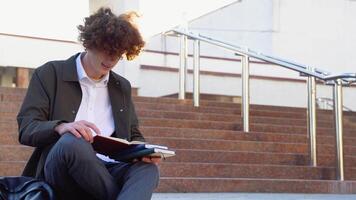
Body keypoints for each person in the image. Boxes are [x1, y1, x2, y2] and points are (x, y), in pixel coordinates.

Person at [17, 7, 160, 200]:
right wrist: (61, 127)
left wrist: (143, 151)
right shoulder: (50, 73)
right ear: (90, 43)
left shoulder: (121, 86)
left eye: (118, 53)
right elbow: (27, 128)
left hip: (108, 168)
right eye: (108, 50)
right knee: (74, 140)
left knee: (147, 170)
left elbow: (132, 133)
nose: (112, 58)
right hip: (62, 166)